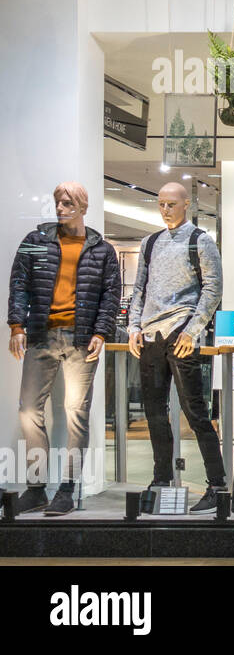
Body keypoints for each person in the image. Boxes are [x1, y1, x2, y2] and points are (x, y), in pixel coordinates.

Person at [7, 182, 120, 515]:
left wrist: (102, 331)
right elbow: (19, 284)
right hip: (41, 335)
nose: (60, 208)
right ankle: (36, 487)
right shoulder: (35, 241)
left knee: (75, 414)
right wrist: (17, 325)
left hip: (81, 340)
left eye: (68, 202)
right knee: (28, 410)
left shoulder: (102, 250)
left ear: (83, 206)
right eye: (58, 202)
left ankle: (67, 489)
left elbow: (110, 296)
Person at [127, 182, 225, 513]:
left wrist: (193, 329)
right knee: (154, 412)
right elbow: (139, 287)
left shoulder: (201, 240)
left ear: (186, 205)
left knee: (195, 411)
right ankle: (161, 479)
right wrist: (133, 327)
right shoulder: (150, 242)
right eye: (161, 203)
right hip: (151, 337)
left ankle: (218, 484)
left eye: (171, 203)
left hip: (182, 333)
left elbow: (213, 288)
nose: (165, 209)